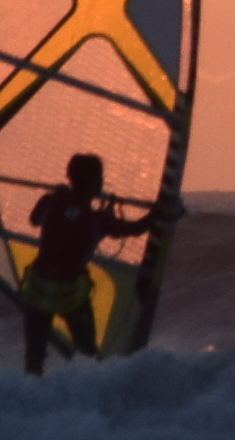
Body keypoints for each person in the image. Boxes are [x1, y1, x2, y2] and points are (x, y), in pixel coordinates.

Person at [18, 150, 165, 373]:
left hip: (40, 289)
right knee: (87, 357)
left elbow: (34, 219)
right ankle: (87, 400)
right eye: (100, 178)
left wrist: (58, 194)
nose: (103, 182)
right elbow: (134, 230)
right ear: (92, 182)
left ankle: (28, 403)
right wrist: (157, 213)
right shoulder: (99, 220)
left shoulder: (51, 202)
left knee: (34, 360)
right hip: (70, 294)